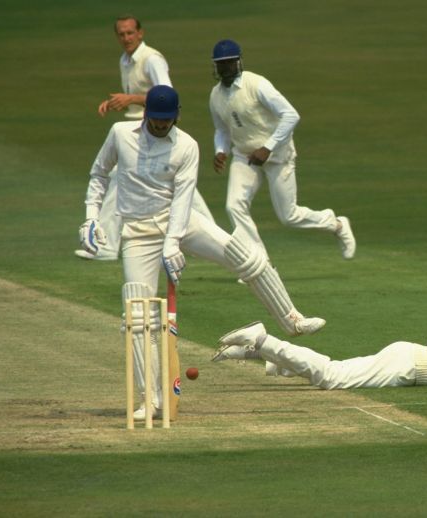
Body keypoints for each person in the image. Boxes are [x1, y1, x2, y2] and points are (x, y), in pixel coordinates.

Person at [79, 85, 326, 419]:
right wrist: (91, 218)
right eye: (157, 120)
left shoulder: (187, 145)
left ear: (176, 115)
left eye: (168, 120)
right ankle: (150, 399)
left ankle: (292, 320)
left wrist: (172, 243)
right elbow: (98, 174)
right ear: (147, 114)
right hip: (138, 232)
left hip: (179, 220)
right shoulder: (120, 134)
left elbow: (183, 200)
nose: (162, 126)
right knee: (138, 317)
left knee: (245, 255)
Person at [211, 281, 427, 388]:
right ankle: (263, 339)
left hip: (407, 359)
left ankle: (260, 356)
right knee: (332, 376)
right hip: (406, 366)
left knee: (338, 369)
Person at [75, 15, 215, 261]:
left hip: (156, 126)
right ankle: (106, 245)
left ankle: (106, 246)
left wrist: (130, 99)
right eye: (121, 34)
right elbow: (139, 96)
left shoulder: (152, 59)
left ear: (140, 33)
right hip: (139, 125)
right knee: (175, 186)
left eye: (130, 33)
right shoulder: (125, 60)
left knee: (128, 179)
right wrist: (119, 102)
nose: (126, 38)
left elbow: (167, 93)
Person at [208, 39, 356, 261]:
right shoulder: (215, 95)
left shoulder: (257, 84)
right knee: (233, 206)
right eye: (221, 64)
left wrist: (267, 148)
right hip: (244, 155)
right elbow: (221, 129)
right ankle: (258, 259)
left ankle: (336, 224)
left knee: (289, 216)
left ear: (239, 62)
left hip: (277, 154)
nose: (225, 68)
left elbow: (291, 115)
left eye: (229, 63)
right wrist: (221, 150)